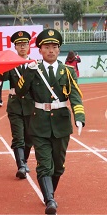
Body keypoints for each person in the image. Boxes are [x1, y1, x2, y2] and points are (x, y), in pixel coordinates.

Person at [15, 29, 85, 214]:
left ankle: (49, 192)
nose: (51, 50)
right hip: (39, 124)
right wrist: (28, 73)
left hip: (61, 124)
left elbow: (76, 96)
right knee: (44, 164)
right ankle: (50, 200)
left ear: (59, 49)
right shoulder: (33, 69)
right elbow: (21, 92)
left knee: (58, 166)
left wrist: (79, 118)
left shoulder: (67, 71)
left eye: (54, 47)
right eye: (47, 47)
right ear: (40, 50)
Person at [0, 31, 35, 179]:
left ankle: (24, 161)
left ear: (28, 46)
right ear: (15, 47)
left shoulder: (33, 64)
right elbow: (2, 76)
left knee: (29, 138)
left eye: (25, 44)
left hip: (30, 105)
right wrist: (4, 63)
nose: (22, 47)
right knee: (18, 137)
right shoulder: (11, 64)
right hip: (15, 104)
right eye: (19, 45)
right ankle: (21, 166)